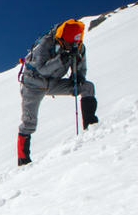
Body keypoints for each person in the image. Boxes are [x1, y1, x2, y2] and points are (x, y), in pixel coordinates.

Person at [17, 19, 99, 165]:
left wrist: (79, 76)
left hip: (53, 83)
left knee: (87, 87)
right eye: (68, 43)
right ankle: (23, 160)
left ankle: (91, 128)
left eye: (74, 43)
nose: (71, 46)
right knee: (29, 122)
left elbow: (81, 66)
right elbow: (41, 69)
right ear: (61, 39)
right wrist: (61, 60)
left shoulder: (78, 47)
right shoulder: (45, 44)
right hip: (33, 84)